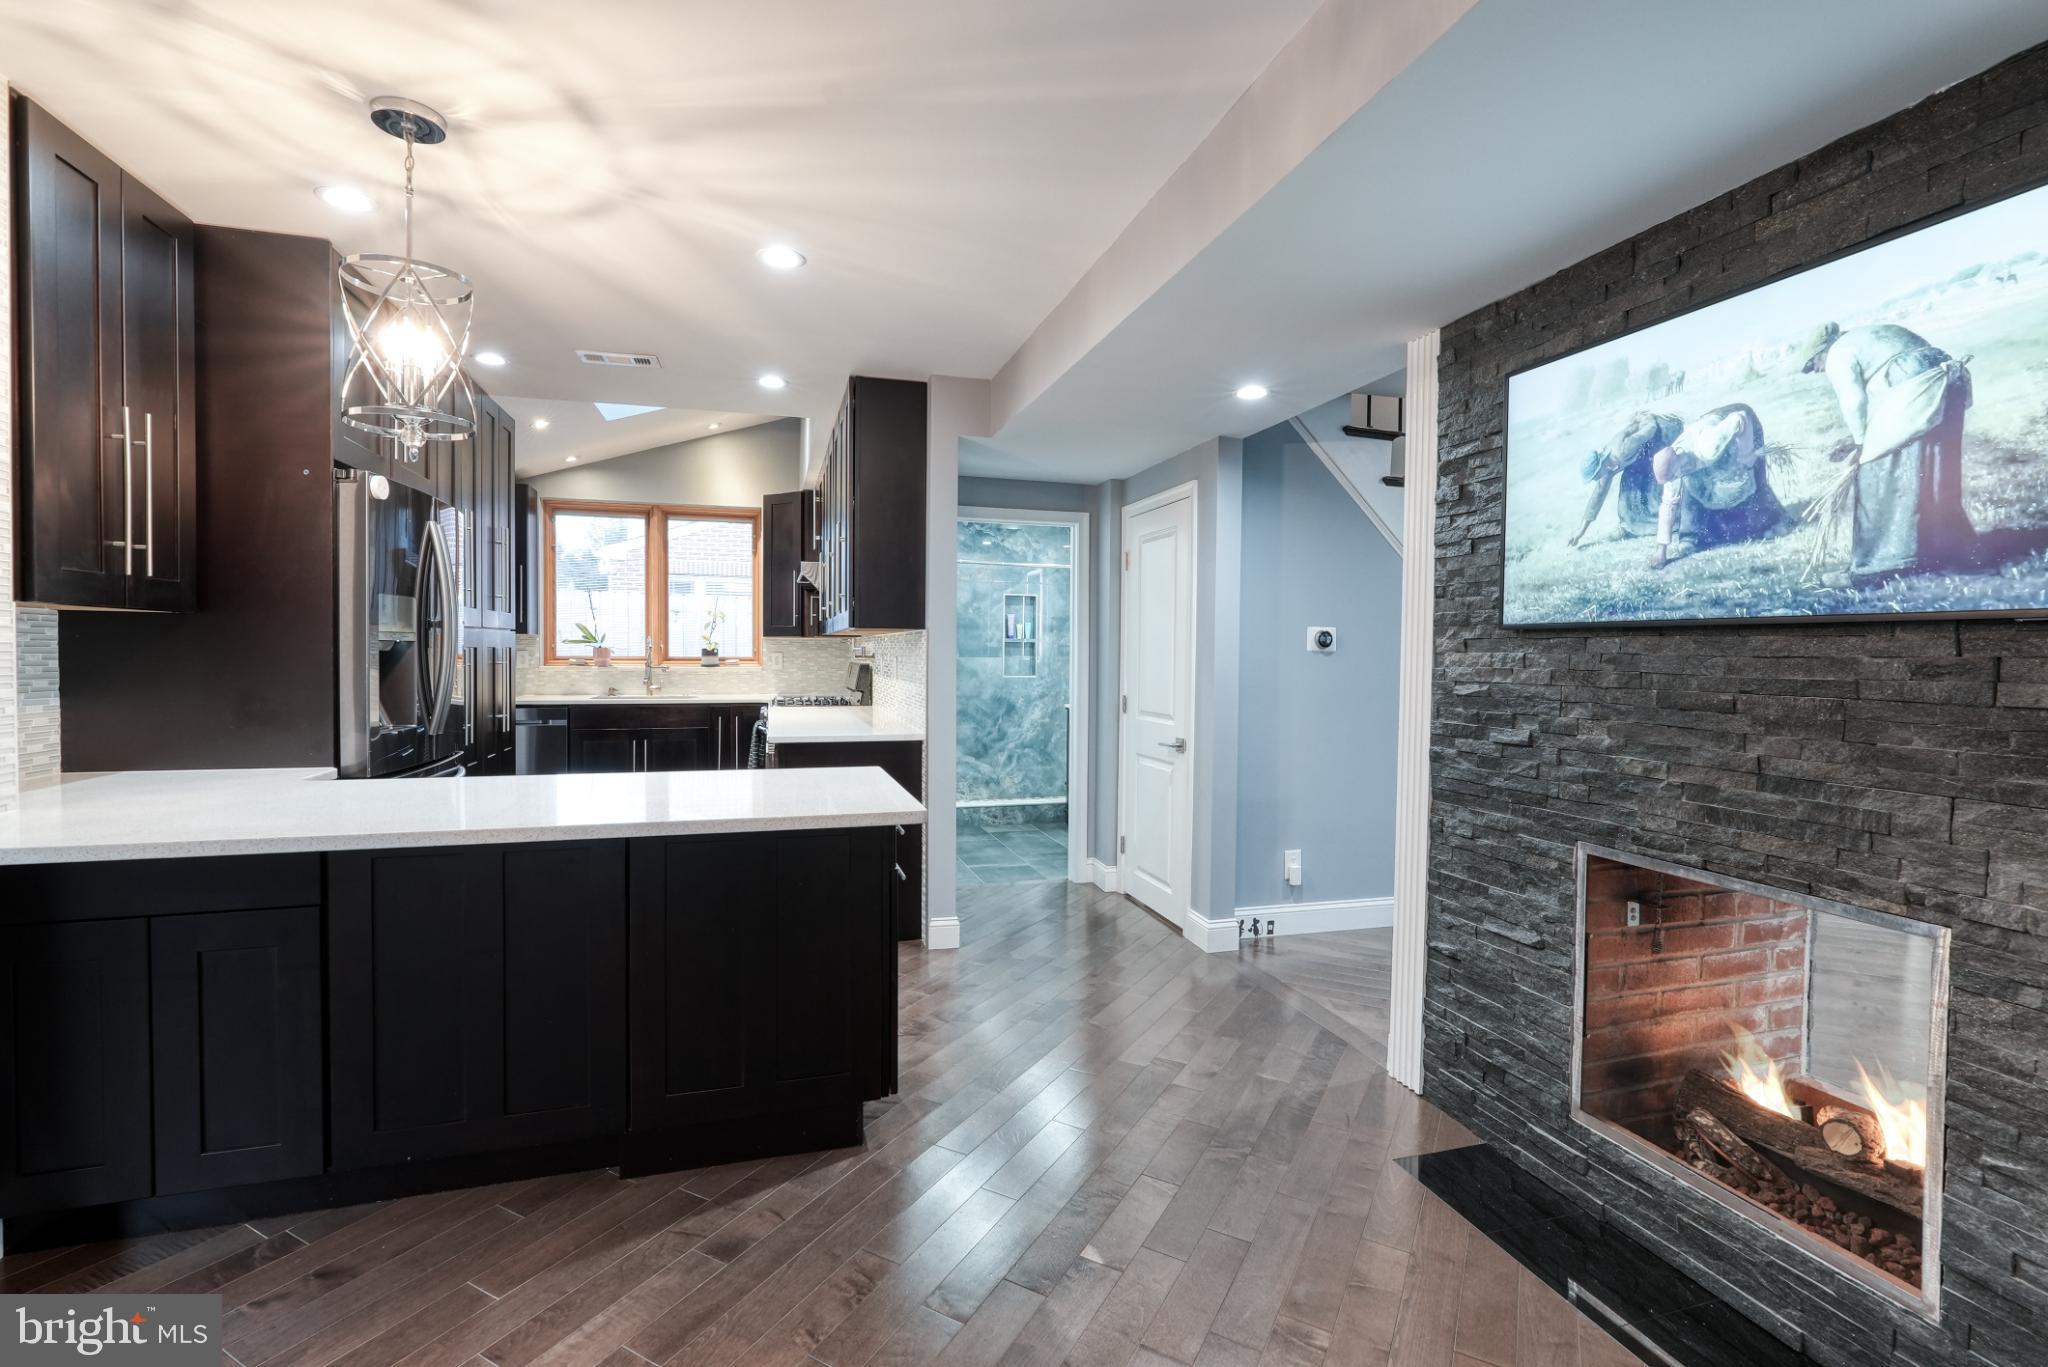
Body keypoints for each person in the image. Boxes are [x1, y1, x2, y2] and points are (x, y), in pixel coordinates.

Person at [1799, 321, 1975, 587]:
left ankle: (1875, 567)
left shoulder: (1838, 353)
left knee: (1875, 475)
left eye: (1814, 365)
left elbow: (1854, 401)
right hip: (1950, 382)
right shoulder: (1867, 336)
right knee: (1935, 468)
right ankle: (1948, 549)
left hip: (1918, 388)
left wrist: (1861, 444)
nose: (1818, 370)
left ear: (1822, 351)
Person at [1644, 403, 1790, 569]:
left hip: (1739, 421)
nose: (1671, 481)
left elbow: (1739, 419)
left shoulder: (1707, 447)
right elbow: (1668, 504)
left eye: (1671, 477)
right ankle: (1690, 537)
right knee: (1693, 486)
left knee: (1751, 476)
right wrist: (1661, 551)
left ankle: (1775, 521)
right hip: (1713, 431)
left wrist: (1746, 457)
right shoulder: (1674, 468)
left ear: (1676, 465)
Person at [1569, 411, 1682, 546]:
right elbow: (1598, 495)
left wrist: (1645, 417)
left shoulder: (1622, 450)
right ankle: (1630, 526)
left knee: (1656, 480)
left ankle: (1672, 520)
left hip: (1662, 433)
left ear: (1600, 466)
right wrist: (1581, 531)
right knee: (1628, 485)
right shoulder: (1608, 468)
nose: (1595, 480)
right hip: (1645, 448)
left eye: (1595, 476)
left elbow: (1649, 429)